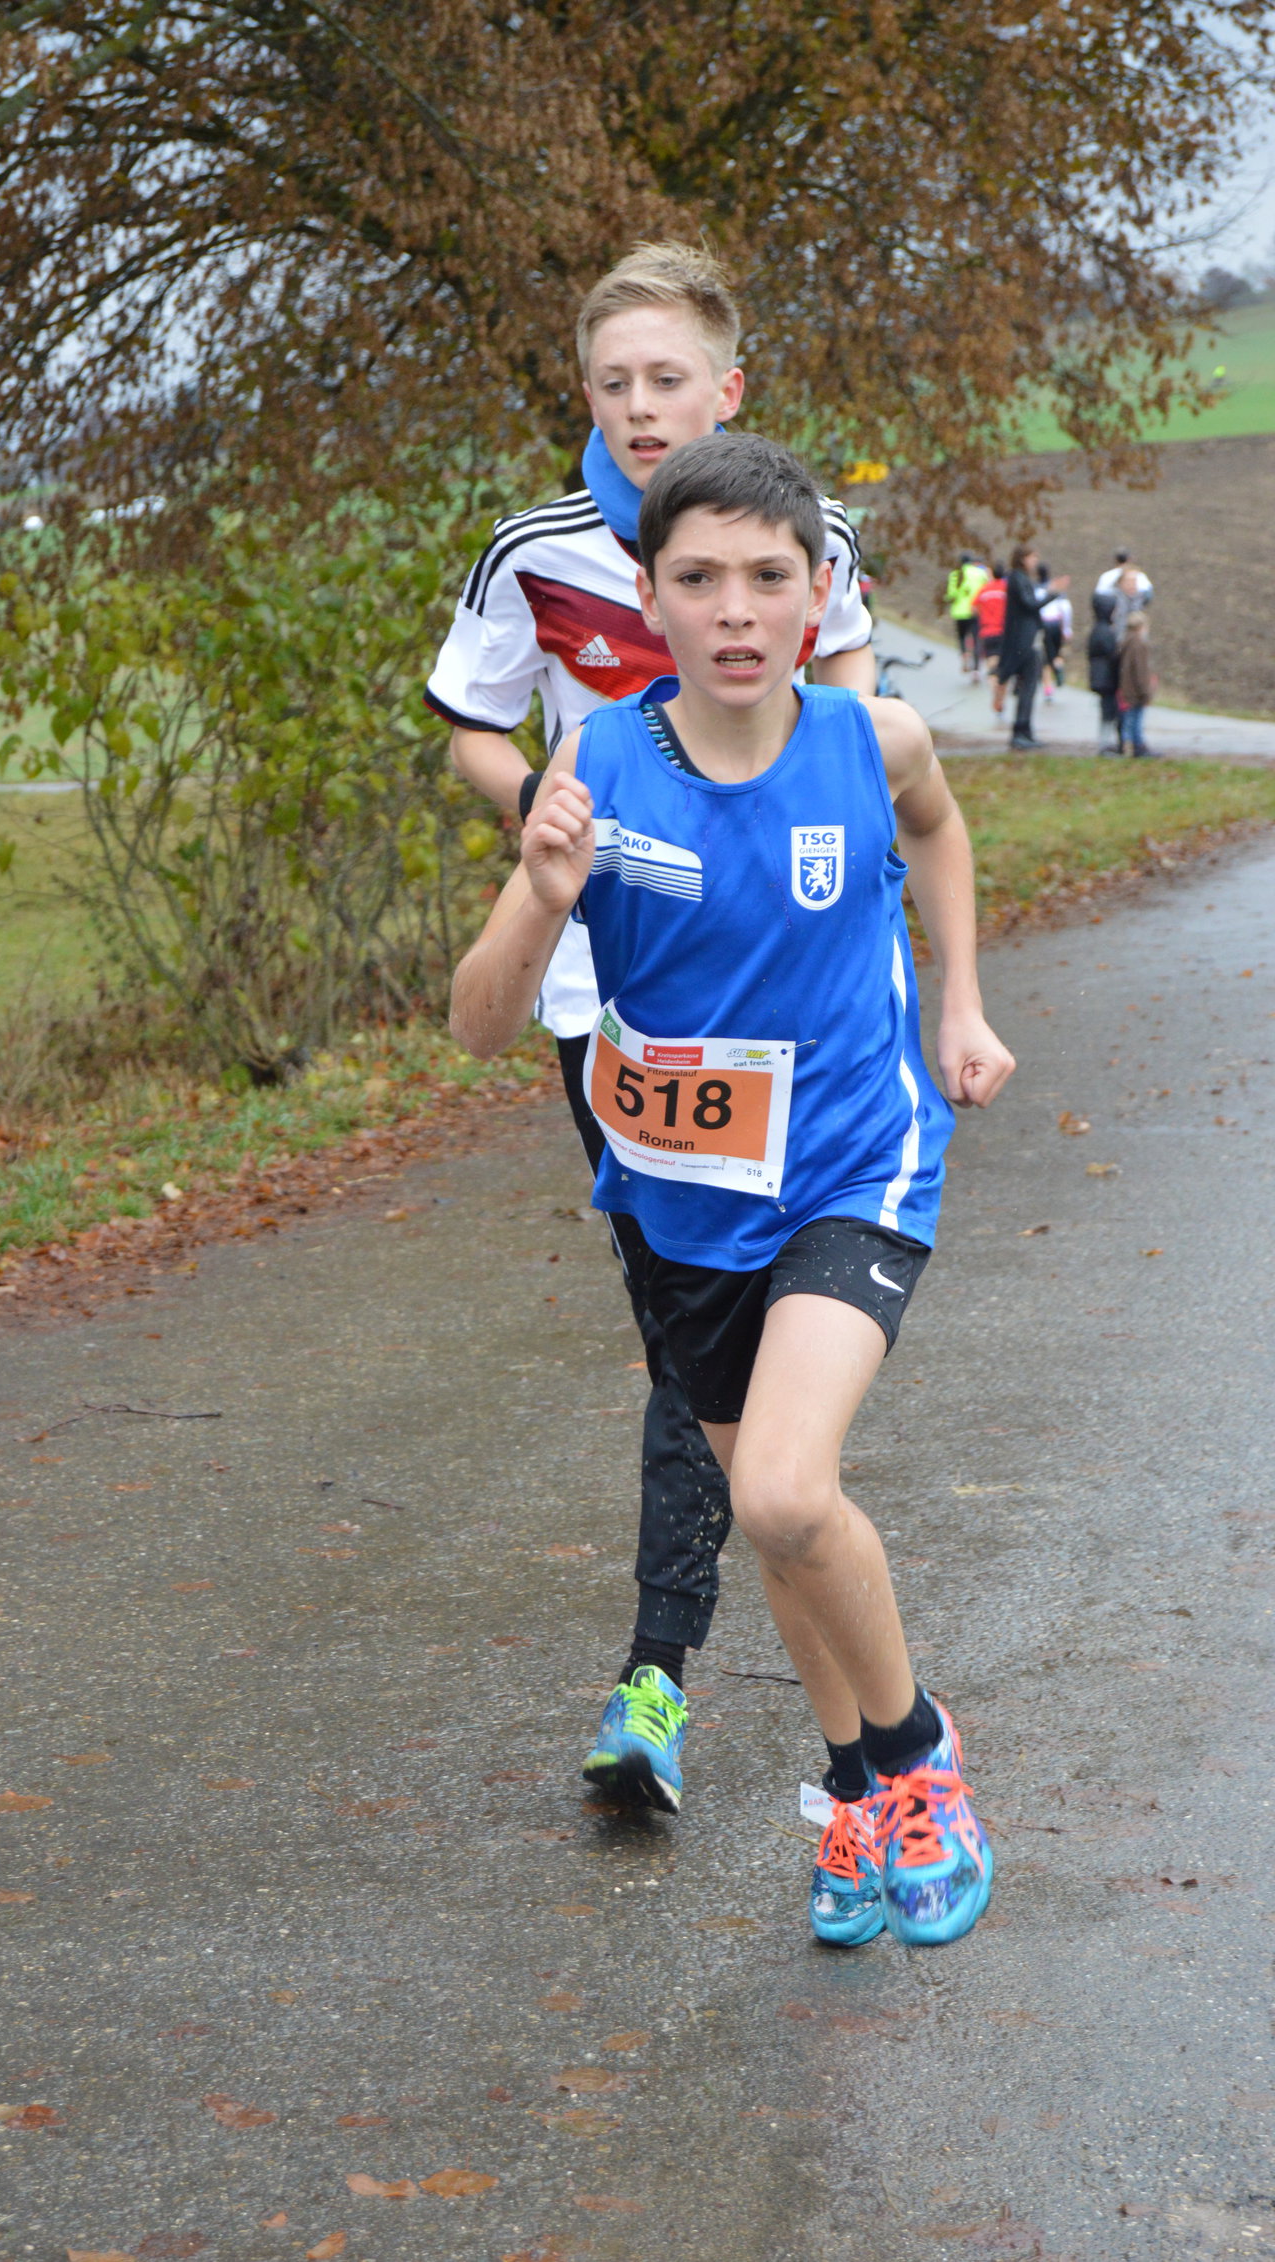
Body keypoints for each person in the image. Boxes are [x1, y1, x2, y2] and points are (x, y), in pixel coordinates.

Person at [452, 432, 1016, 1949]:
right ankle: (853, 1790)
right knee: (782, 1526)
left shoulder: (872, 740)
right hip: (680, 1201)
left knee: (777, 1485)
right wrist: (543, 899)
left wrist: (959, 1003)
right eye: (698, 578)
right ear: (648, 598)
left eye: (769, 577)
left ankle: (918, 1761)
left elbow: (938, 828)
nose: (736, 609)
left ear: (816, 591)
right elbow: (479, 1024)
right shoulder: (596, 767)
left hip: (852, 1162)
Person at [426, 241, 876, 1816]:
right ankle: (677, 1677)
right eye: (612, 381)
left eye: (666, 378)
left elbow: (864, 738)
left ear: (724, 387)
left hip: (789, 1006)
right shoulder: (537, 551)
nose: (638, 405)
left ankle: (782, 1683)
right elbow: (472, 720)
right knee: (691, 1342)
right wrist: (547, 813)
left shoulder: (806, 537)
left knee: (757, 1361)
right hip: (610, 1003)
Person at [996, 542, 1067, 749]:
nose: (1035, 561)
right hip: (1024, 641)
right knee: (1027, 687)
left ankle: (1025, 730)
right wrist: (1052, 594)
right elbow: (1030, 605)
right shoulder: (1017, 578)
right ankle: (1020, 731)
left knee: (1029, 687)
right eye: (1032, 557)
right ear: (1022, 558)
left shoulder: (1021, 579)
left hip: (1027, 639)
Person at [1087, 588, 1122, 754]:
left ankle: (1106, 743)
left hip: (1101, 677)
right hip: (1106, 678)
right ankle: (1105, 744)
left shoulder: (1099, 628)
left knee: (1107, 710)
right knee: (1108, 712)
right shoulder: (1105, 631)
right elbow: (1112, 655)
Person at [1117, 610, 1157, 757]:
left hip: (1126, 689)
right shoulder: (1139, 644)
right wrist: (1146, 692)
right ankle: (1137, 747)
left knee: (1129, 720)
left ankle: (1127, 747)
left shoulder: (1126, 641)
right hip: (1135, 691)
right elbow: (1141, 671)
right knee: (1136, 720)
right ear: (1141, 626)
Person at [945, 552, 988, 676]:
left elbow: (951, 594)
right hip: (975, 611)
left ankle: (964, 656)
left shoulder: (955, 574)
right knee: (976, 639)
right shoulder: (980, 574)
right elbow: (985, 590)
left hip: (959, 611)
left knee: (962, 637)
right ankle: (976, 669)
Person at [973, 561, 1008, 708]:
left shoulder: (985, 589)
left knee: (992, 666)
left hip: (988, 631)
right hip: (1004, 632)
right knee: (1003, 667)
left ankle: (995, 691)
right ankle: (1001, 697)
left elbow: (974, 608)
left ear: (992, 573)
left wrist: (984, 615)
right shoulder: (1007, 589)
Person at [1037, 564, 1072, 699]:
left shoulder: (1037, 589)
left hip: (1045, 625)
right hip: (1057, 624)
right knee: (1056, 653)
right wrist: (1067, 629)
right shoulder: (1057, 591)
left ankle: (1048, 688)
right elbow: (1066, 609)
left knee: (1046, 657)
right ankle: (1058, 667)